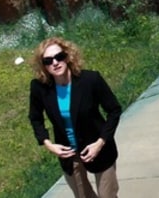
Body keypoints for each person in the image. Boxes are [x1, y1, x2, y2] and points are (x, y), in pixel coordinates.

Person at [28, 37, 123, 198]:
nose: (55, 63)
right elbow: (35, 117)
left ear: (68, 56)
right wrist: (49, 144)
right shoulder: (39, 88)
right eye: (48, 60)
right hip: (69, 153)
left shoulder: (91, 80)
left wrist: (100, 143)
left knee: (107, 195)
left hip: (99, 148)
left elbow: (114, 110)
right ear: (43, 65)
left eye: (59, 57)